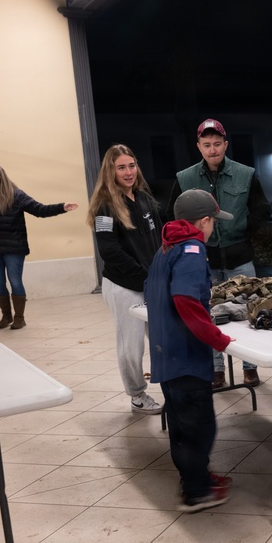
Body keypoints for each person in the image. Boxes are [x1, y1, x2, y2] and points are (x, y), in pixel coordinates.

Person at [145, 189, 237, 512]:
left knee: (182, 426)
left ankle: (193, 478)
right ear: (204, 221)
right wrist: (218, 339)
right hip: (186, 357)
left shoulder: (165, 248)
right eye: (213, 221)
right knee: (198, 426)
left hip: (166, 355)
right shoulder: (193, 249)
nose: (213, 228)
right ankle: (197, 492)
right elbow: (185, 300)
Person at [168, 118, 270, 388]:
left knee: (248, 312)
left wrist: (242, 227)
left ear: (225, 144)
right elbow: (173, 215)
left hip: (240, 258)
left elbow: (262, 209)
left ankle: (250, 367)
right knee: (210, 314)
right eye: (207, 145)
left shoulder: (245, 173)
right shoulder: (184, 178)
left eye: (217, 144)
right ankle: (216, 369)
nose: (212, 150)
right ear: (198, 147)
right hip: (205, 260)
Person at [88, 145, 165, 416]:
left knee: (162, 338)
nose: (128, 172)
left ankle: (171, 385)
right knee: (132, 346)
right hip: (123, 286)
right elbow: (108, 251)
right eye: (121, 167)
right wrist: (142, 273)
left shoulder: (144, 199)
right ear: (111, 171)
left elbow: (158, 240)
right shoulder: (104, 207)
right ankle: (137, 395)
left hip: (150, 283)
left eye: (131, 165)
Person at [0, 164, 77, 330]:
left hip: (14, 247)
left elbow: (39, 210)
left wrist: (62, 207)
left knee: (15, 281)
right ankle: (6, 316)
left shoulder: (16, 195)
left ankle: (19, 318)